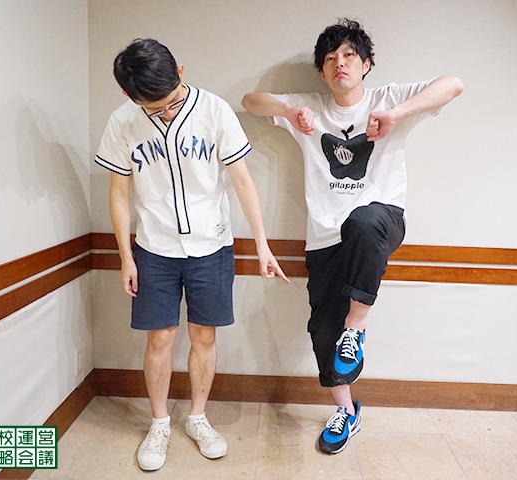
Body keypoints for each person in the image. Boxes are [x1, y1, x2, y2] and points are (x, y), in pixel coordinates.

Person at [242, 18, 463, 454]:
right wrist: (288, 113)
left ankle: (356, 326)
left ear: (365, 64)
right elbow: (250, 101)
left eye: (348, 55)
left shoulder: (388, 99)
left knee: (361, 221)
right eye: (329, 58)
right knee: (323, 332)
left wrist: (395, 115)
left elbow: (453, 84)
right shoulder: (308, 108)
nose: (339, 63)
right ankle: (346, 410)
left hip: (381, 221)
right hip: (324, 237)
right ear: (323, 73)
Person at [95, 38, 289, 471]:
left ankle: (198, 418)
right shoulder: (123, 121)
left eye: (172, 101)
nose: (166, 112)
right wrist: (126, 256)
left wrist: (262, 244)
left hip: (211, 246)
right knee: (159, 339)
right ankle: (159, 423)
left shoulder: (214, 111)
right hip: (154, 249)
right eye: (154, 108)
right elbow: (119, 192)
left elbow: (242, 180)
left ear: (180, 71)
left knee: (204, 336)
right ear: (128, 94)